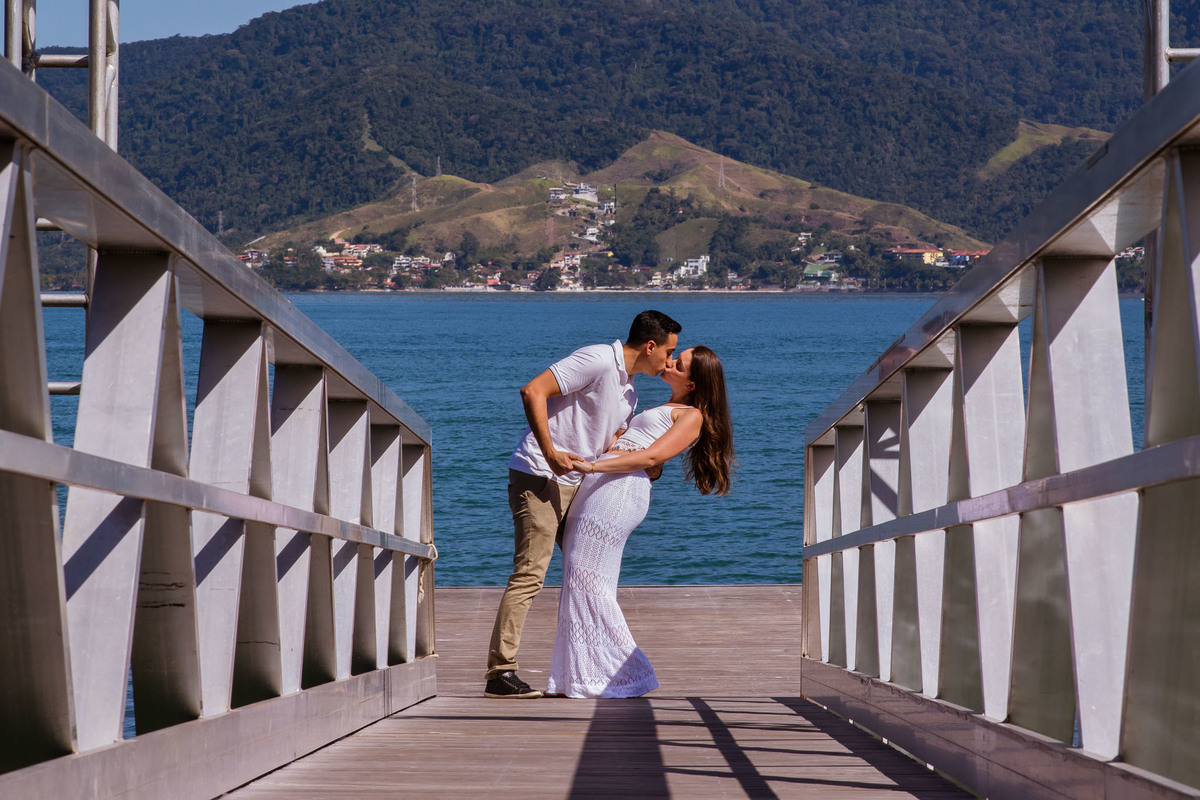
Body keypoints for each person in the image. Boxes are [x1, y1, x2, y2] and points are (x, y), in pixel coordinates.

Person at [484, 310, 682, 698]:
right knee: (530, 573)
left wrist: (649, 467)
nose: (669, 361)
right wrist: (549, 450)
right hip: (541, 474)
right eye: (668, 352)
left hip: (577, 484)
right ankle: (499, 673)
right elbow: (533, 391)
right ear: (650, 346)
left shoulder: (630, 391)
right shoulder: (597, 359)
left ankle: (592, 668)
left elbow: (609, 444)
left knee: (586, 576)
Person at [546, 346, 733, 698]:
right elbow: (640, 450)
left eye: (680, 363)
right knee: (577, 577)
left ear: (693, 384)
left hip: (617, 490)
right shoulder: (664, 407)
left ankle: (627, 672)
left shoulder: (690, 415)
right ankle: (579, 676)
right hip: (600, 485)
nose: (670, 361)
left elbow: (651, 456)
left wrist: (592, 466)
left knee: (589, 580)